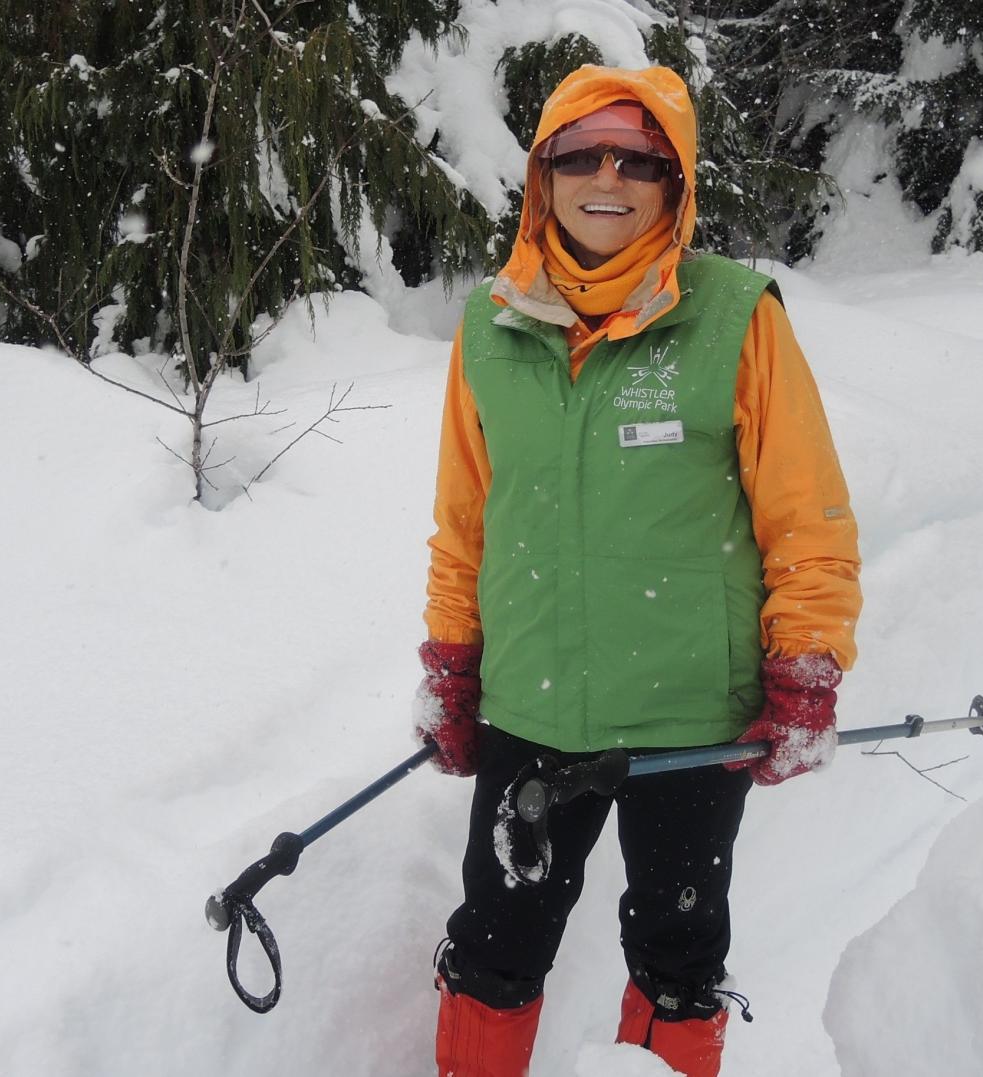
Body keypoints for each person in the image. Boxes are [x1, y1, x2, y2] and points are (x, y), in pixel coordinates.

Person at [416, 64, 861, 1077]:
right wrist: (452, 662)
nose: (607, 176)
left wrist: (808, 668)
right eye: (581, 155)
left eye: (639, 158)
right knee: (494, 949)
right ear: (544, 176)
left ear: (674, 182)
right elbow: (464, 521)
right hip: (531, 705)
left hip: (690, 721)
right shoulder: (491, 324)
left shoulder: (736, 315)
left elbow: (809, 516)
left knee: (677, 958)